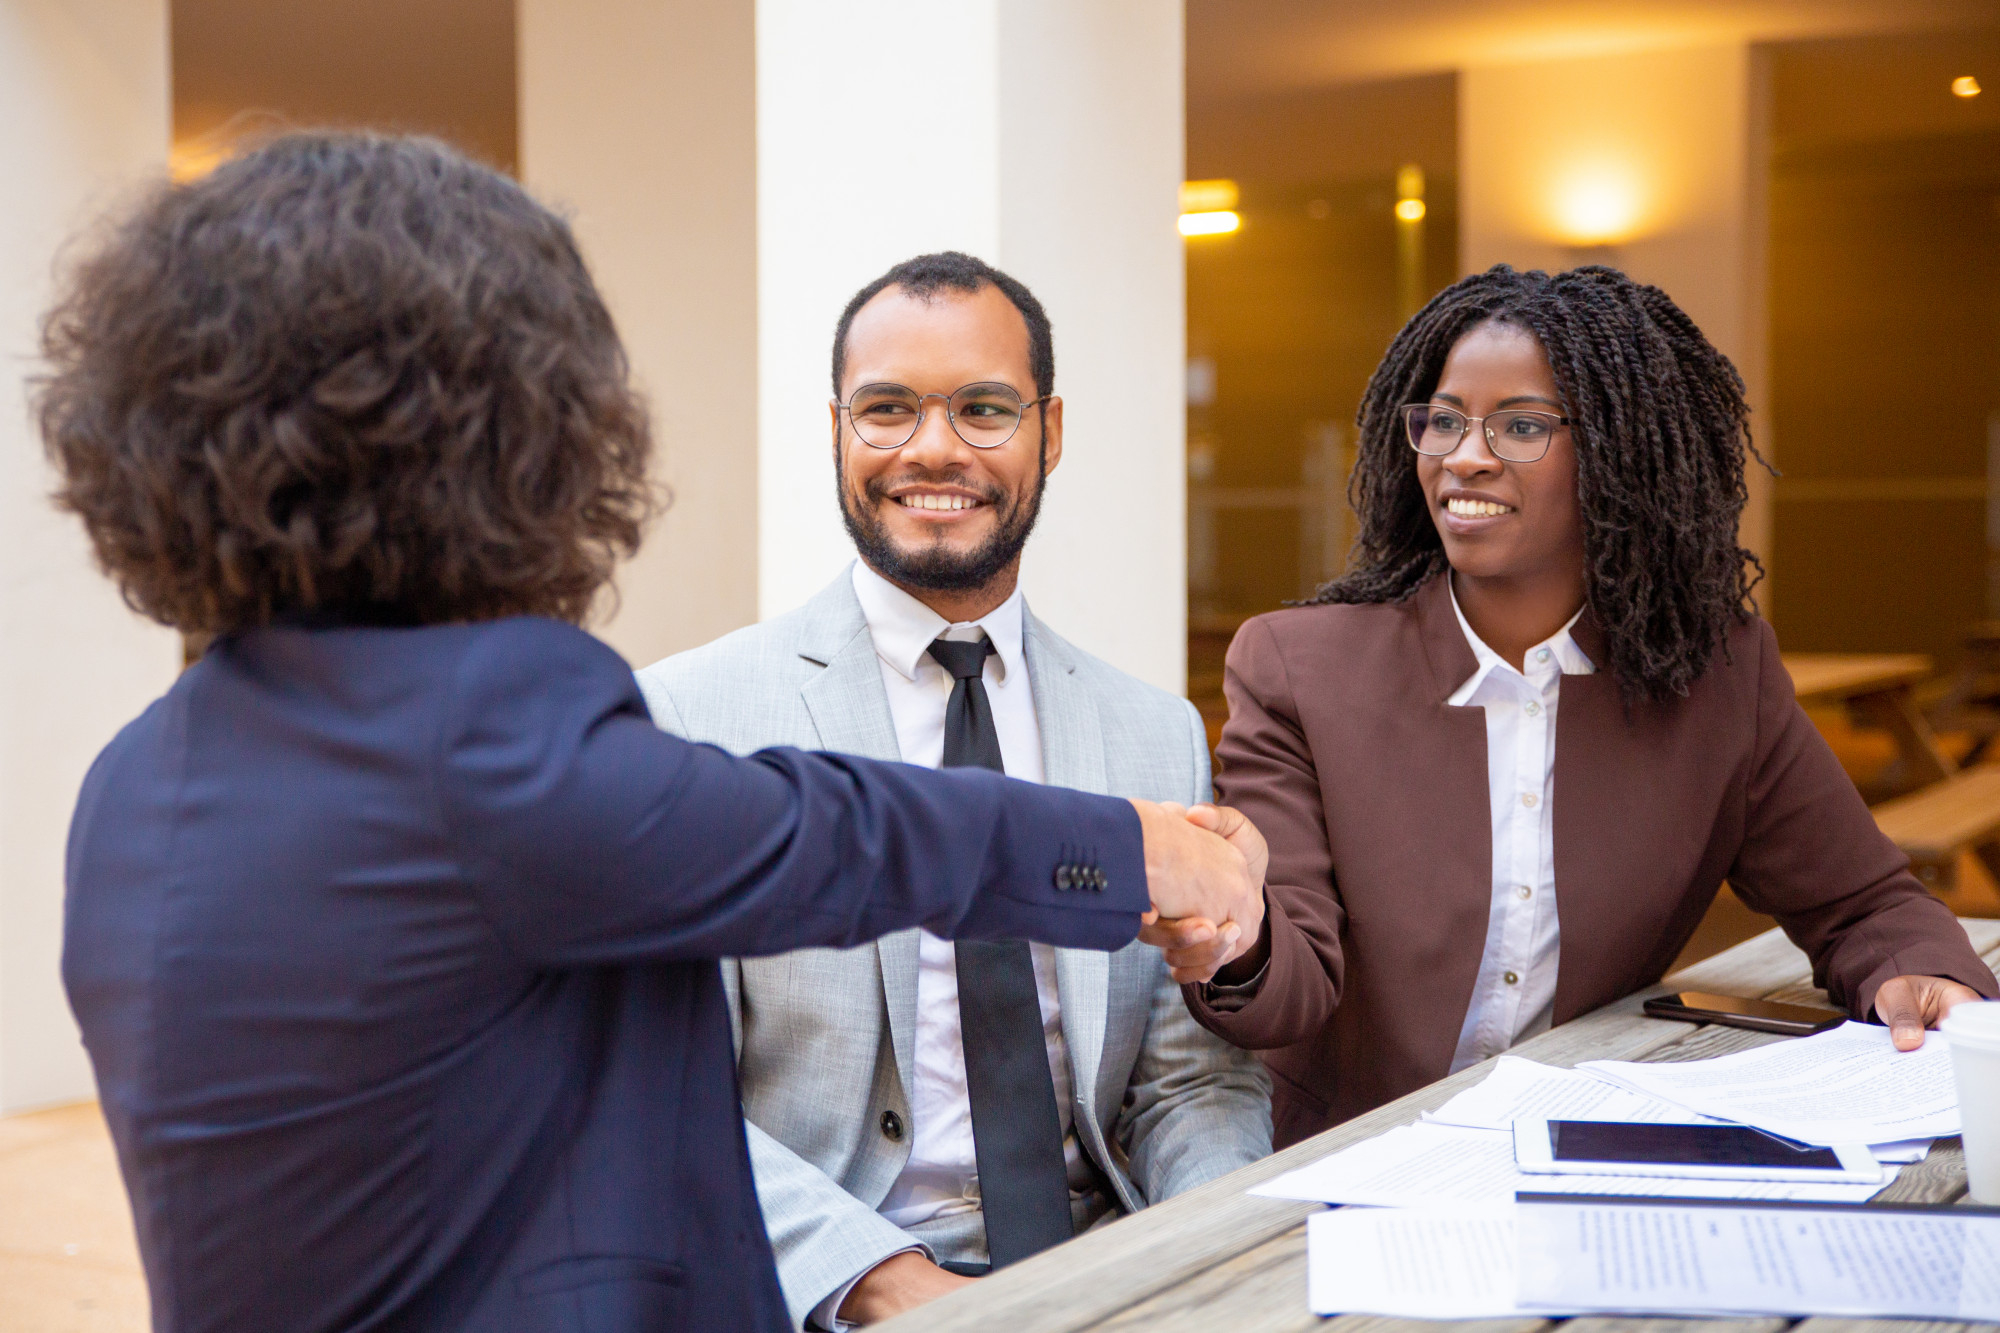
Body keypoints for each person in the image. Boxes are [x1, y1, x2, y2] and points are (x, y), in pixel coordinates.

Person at [40, 136, 1263, 1333]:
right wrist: (1139, 849)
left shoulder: (137, 779)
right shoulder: (488, 730)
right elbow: (831, 838)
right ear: (518, 428)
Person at [1183, 264, 2000, 1147]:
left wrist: (1920, 973)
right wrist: (1235, 932)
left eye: (1522, 425)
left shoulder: (1718, 679)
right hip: (1347, 1160)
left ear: (1618, 451)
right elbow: (1286, 985)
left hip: (1581, 1151)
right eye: (1445, 420)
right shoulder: (1301, 667)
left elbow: (1864, 903)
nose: (1465, 454)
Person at [636, 252, 1273, 1329]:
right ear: (834, 430)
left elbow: (1187, 1085)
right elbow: (664, 1098)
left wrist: (1209, 1258)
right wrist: (894, 1291)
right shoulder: (691, 716)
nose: (932, 447)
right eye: (886, 409)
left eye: (982, 408)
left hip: (1108, 1276)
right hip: (828, 1293)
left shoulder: (1151, 730)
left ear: (1049, 432)